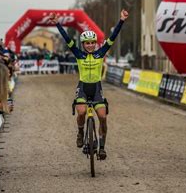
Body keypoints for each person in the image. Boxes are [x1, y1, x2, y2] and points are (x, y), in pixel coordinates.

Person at [49, 9, 129, 160]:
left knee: (103, 117)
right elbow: (66, 39)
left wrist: (122, 20)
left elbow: (113, 37)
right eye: (88, 43)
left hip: (97, 88)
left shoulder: (101, 52)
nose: (91, 45)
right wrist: (58, 23)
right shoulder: (78, 54)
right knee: (81, 112)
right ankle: (80, 132)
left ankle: (102, 147)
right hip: (83, 88)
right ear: (83, 44)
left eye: (93, 42)